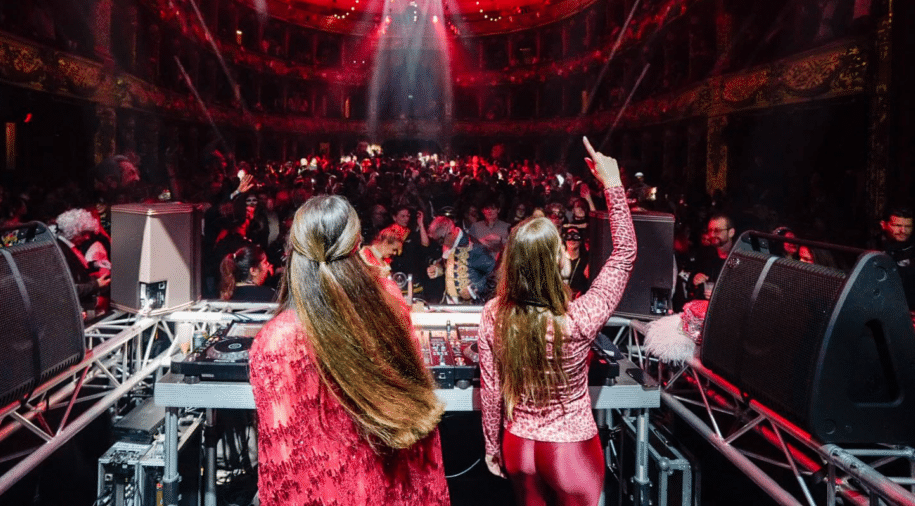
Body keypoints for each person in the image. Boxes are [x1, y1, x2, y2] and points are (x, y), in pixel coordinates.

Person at [249, 195, 449, 506]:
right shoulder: (389, 301)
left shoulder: (276, 339)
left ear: (293, 251)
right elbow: (413, 397)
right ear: (357, 243)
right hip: (382, 489)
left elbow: (281, 457)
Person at [478, 137, 636, 506]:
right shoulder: (579, 318)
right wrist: (612, 184)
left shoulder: (493, 314)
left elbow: (491, 389)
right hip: (570, 451)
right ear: (557, 260)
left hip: (518, 447)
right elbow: (625, 253)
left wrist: (491, 445)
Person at [427, 214, 497, 303]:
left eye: (440, 241)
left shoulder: (474, 247)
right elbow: (452, 265)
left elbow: (495, 272)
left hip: (471, 307)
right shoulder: (447, 246)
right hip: (451, 304)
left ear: (450, 233)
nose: (440, 244)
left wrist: (474, 288)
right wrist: (438, 269)